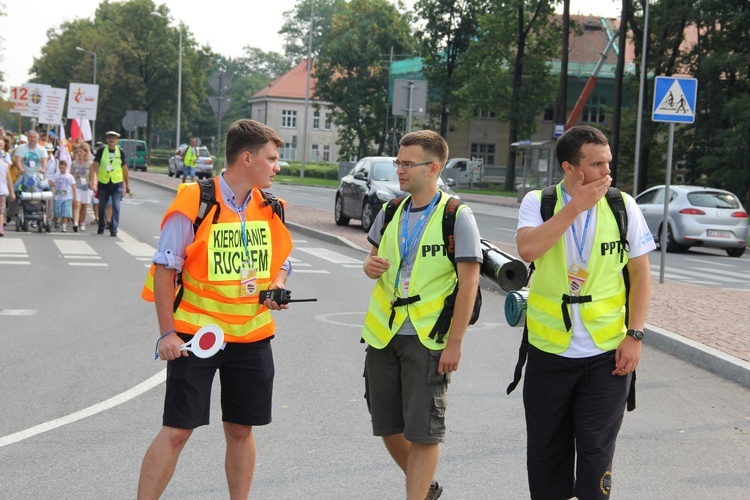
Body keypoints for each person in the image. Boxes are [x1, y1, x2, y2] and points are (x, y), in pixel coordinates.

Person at [137, 118, 294, 499]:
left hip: (253, 337)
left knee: (241, 430)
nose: (277, 167)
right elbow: (165, 267)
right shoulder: (196, 198)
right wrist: (167, 333)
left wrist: (277, 286)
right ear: (246, 158)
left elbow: (282, 262)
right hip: (197, 337)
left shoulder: (271, 206)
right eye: (271, 158)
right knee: (177, 430)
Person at [514, 125, 655, 499]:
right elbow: (528, 250)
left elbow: (641, 275)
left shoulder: (622, 205)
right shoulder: (539, 202)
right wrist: (574, 206)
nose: (607, 173)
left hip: (606, 353)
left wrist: (635, 335)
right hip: (549, 351)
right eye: (597, 165)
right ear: (570, 168)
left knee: (596, 452)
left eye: (608, 163)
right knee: (546, 452)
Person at [361, 130, 482, 500]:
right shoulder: (391, 210)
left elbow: (469, 284)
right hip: (384, 333)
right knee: (387, 426)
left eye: (407, 163)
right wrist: (370, 266)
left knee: (424, 430)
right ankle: (426, 487)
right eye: (398, 162)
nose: (399, 169)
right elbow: (371, 261)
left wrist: (455, 344)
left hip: (428, 338)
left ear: (433, 167)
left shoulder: (455, 216)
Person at [89, 131, 130, 237]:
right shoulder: (102, 151)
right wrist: (91, 181)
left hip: (116, 184)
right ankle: (101, 226)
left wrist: (127, 184)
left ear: (117, 141)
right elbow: (93, 166)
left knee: (116, 206)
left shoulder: (120, 152)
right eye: (110, 138)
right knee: (102, 206)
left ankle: (114, 229)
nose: (112, 140)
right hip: (103, 184)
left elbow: (124, 169)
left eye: (114, 138)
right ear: (106, 140)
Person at [48, 160, 76, 233]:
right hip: (58, 196)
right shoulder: (56, 175)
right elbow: (51, 181)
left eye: (64, 168)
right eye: (61, 168)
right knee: (57, 211)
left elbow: (73, 186)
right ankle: (56, 220)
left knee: (65, 212)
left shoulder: (69, 176)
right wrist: (51, 184)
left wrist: (75, 196)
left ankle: (64, 226)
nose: (62, 170)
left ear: (66, 167)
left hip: (67, 196)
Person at [71, 145, 93, 231]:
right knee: (77, 204)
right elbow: (71, 174)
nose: (79, 153)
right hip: (77, 186)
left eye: (81, 151)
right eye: (78, 151)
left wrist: (93, 184)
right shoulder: (74, 163)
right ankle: (76, 222)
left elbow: (93, 175)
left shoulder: (90, 164)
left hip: (87, 187)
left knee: (84, 206)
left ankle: (82, 222)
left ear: (86, 152)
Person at [0, 148, 15, 236]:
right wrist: (12, 192)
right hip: (2, 191)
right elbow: (9, 180)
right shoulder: (5, 166)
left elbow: (9, 180)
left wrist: (12, 192)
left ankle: (0, 228)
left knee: (1, 211)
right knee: (1, 211)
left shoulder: (5, 166)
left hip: (1, 191)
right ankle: (0, 228)